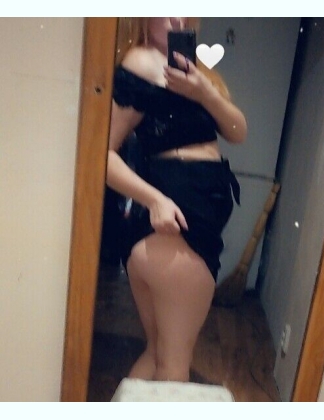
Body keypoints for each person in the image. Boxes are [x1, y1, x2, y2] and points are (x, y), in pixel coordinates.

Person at [106, 17, 247, 383]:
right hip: (176, 228)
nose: (176, 18)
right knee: (174, 365)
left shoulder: (196, 72)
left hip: (179, 229)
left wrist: (205, 93)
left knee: (158, 355)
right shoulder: (142, 62)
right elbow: (102, 155)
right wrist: (155, 200)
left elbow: (237, 132)